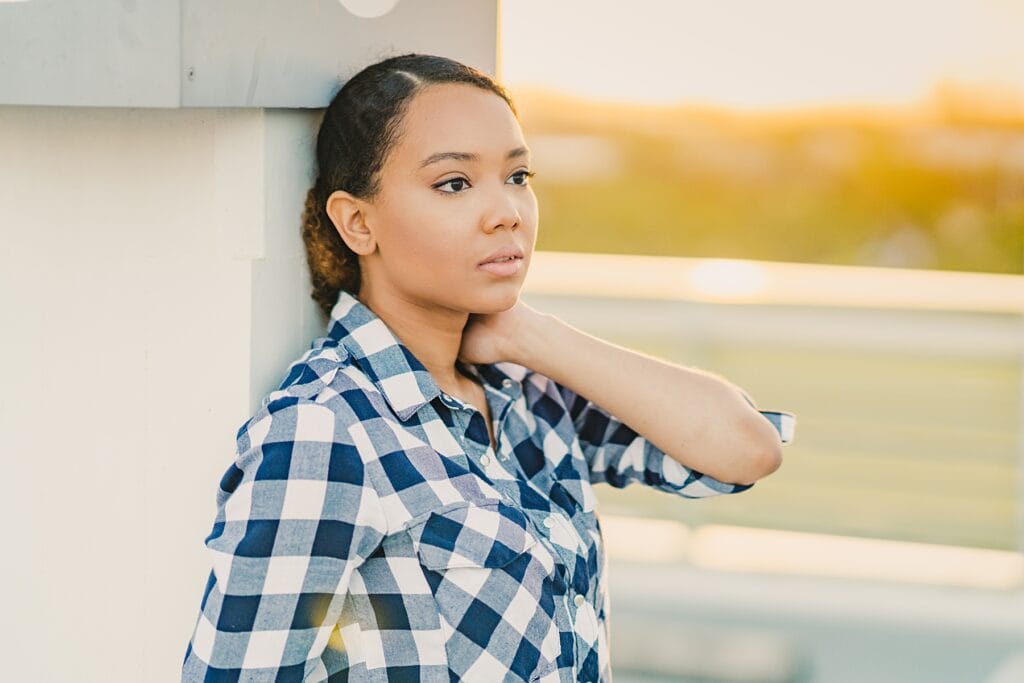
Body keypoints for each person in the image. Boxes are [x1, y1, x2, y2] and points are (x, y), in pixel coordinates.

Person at [181, 52, 795, 683]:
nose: (506, 212)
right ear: (358, 222)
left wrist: (534, 335)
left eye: (519, 176)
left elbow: (746, 449)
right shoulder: (328, 432)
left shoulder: (526, 392)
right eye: (454, 183)